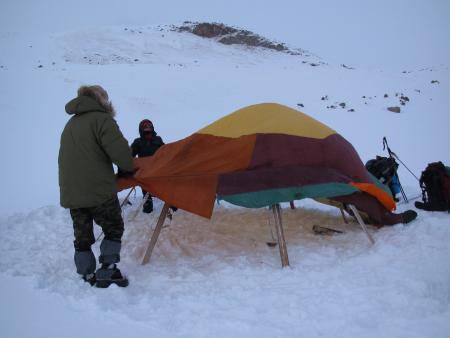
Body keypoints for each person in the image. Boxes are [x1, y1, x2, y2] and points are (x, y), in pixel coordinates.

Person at [59, 85, 134, 288]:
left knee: (82, 236)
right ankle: (108, 270)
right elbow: (121, 153)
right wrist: (127, 168)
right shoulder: (102, 120)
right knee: (113, 227)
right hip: (98, 189)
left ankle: (85, 273)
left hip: (72, 191)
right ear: (101, 100)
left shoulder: (71, 124)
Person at [131, 119, 164, 213]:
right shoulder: (138, 142)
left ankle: (172, 204)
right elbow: (129, 156)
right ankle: (147, 205)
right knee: (146, 192)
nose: (147, 129)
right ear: (141, 130)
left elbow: (166, 152)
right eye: (145, 127)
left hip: (158, 171)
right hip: (144, 174)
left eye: (149, 127)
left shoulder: (158, 140)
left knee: (165, 188)